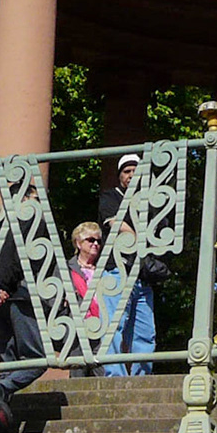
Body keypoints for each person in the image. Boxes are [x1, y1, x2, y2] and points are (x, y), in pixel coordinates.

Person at [0, 187, 49, 433]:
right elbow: (18, 261)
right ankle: (1, 390)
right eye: (35, 199)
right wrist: (2, 290)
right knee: (38, 359)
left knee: (8, 362)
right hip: (18, 296)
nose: (38, 205)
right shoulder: (30, 223)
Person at [98, 153, 168, 376]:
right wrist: (141, 238)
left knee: (145, 332)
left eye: (135, 170)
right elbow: (116, 223)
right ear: (120, 176)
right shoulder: (110, 197)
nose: (131, 175)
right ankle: (115, 377)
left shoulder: (151, 202)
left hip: (141, 275)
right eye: (126, 171)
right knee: (114, 326)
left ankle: (141, 378)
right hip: (117, 271)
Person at [66, 222, 106, 376]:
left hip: (101, 328)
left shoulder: (104, 270)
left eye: (98, 241)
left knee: (103, 374)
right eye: (90, 240)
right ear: (78, 242)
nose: (95, 244)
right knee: (77, 375)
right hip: (77, 330)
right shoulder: (66, 269)